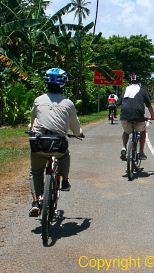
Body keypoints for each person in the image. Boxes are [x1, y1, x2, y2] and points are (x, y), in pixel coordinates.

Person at [28, 67, 85, 217]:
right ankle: (65, 180)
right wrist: (79, 133)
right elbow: (75, 126)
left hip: (39, 143)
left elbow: (32, 120)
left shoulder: (38, 100)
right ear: (63, 84)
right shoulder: (68, 103)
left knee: (35, 171)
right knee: (65, 155)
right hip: (58, 144)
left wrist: (31, 128)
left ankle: (35, 202)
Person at [120, 73, 154, 161]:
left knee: (126, 132)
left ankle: (124, 147)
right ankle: (141, 152)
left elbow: (121, 103)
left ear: (129, 82)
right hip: (138, 117)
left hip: (124, 116)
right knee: (143, 132)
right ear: (139, 82)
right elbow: (149, 106)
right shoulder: (142, 90)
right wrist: (152, 116)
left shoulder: (125, 89)